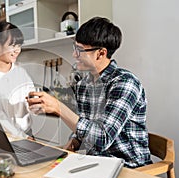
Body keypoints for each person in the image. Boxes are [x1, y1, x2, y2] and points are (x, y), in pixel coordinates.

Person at [27, 17, 152, 168]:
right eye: (75, 48)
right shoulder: (83, 84)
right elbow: (87, 125)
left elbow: (102, 138)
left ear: (100, 53)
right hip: (96, 163)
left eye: (80, 50)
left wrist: (59, 108)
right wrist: (76, 140)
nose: (74, 55)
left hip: (129, 168)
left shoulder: (124, 83)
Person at [0, 22, 34, 139]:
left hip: (27, 134)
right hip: (4, 137)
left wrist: (36, 105)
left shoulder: (21, 72)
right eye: (12, 45)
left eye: (19, 45)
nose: (17, 50)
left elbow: (31, 100)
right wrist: (21, 136)